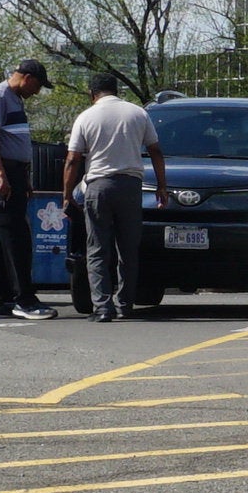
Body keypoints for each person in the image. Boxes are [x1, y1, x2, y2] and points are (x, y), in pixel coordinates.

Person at [60, 70, 169, 323]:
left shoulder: (86, 117)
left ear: (92, 94)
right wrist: (161, 186)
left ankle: (102, 307)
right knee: (128, 249)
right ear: (117, 91)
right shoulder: (137, 113)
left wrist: (67, 195)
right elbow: (155, 150)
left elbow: (73, 159)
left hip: (98, 186)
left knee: (97, 248)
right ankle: (124, 304)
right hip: (131, 186)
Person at [0, 58, 56, 324]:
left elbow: (15, 140)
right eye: (38, 85)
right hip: (3, 172)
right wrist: (0, 173)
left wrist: (24, 177)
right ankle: (24, 300)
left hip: (15, 172)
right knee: (17, 237)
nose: (37, 92)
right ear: (27, 78)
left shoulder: (14, 99)